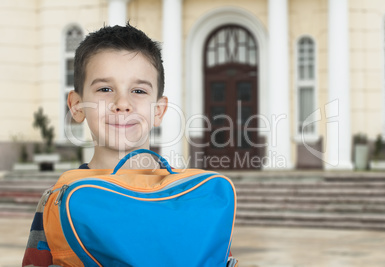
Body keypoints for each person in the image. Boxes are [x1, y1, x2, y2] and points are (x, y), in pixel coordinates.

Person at [22, 23, 237, 266]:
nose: (122, 103)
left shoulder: (195, 197)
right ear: (77, 106)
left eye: (138, 90)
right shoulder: (57, 199)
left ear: (159, 110)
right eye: (105, 88)